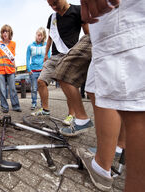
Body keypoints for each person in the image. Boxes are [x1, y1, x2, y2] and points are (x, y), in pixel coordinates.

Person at [77, 0, 145, 191]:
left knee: (131, 101)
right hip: (108, 26)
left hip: (121, 16)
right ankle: (114, 148)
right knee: (96, 88)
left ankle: (101, 168)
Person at [32, 0, 91, 128]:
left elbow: (88, 34)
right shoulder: (52, 17)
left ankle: (72, 115)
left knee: (68, 85)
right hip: (54, 55)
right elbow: (50, 38)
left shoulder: (77, 10)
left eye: (55, 3)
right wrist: (46, 55)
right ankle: (45, 109)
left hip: (69, 54)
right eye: (50, 5)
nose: (53, 7)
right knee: (41, 81)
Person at [0, 24, 21, 113]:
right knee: (2, 89)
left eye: (7, 31)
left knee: (12, 88)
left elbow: (12, 57)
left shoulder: (13, 44)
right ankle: (5, 107)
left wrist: (15, 67)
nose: (5, 33)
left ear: (10, 33)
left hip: (10, 70)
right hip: (0, 70)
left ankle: (16, 106)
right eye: (3, 32)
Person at [26, 27, 51, 110]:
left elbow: (49, 57)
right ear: (36, 35)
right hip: (33, 71)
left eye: (41, 35)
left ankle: (43, 104)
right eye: (38, 35)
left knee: (42, 88)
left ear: (43, 37)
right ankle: (34, 103)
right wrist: (29, 69)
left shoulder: (46, 46)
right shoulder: (30, 46)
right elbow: (27, 58)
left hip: (43, 71)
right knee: (33, 89)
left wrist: (47, 68)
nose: (39, 37)